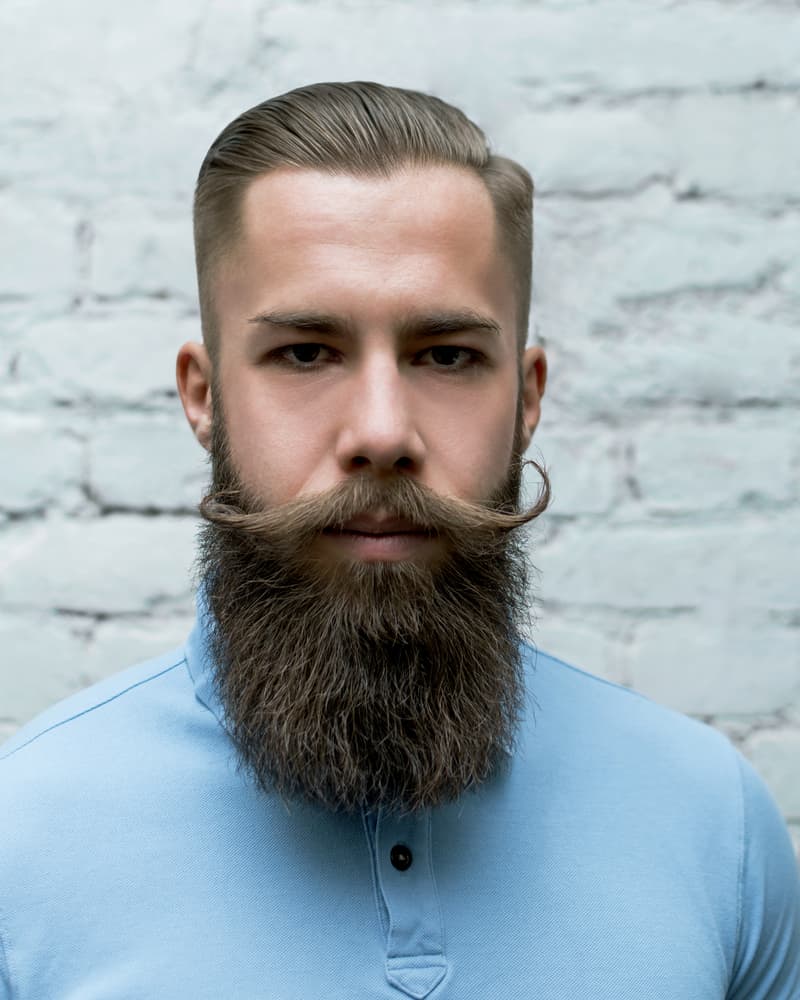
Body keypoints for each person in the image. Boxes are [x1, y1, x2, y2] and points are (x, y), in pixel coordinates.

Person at [1, 81, 798, 999]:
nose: (382, 432)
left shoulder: (714, 824)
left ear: (527, 397)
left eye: (446, 355)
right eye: (305, 352)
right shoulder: (20, 840)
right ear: (205, 394)